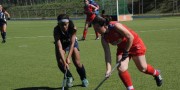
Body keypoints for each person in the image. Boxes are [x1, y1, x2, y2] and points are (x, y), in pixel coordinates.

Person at [92, 16, 163, 90]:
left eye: (97, 28)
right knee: (121, 68)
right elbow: (107, 54)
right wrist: (108, 69)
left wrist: (126, 52)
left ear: (104, 25)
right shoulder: (104, 38)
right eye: (95, 29)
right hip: (122, 48)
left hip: (135, 44)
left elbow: (130, 37)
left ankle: (157, 73)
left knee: (142, 68)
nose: (97, 31)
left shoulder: (115, 26)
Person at [53, 14, 89, 87]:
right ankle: (69, 76)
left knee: (77, 63)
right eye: (61, 25)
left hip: (71, 43)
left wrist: (68, 57)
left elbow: (72, 43)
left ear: (68, 23)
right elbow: (60, 48)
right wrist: (64, 62)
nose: (64, 27)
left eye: (65, 24)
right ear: (58, 24)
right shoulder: (56, 30)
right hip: (62, 44)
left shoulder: (73, 28)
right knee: (60, 62)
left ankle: (83, 78)